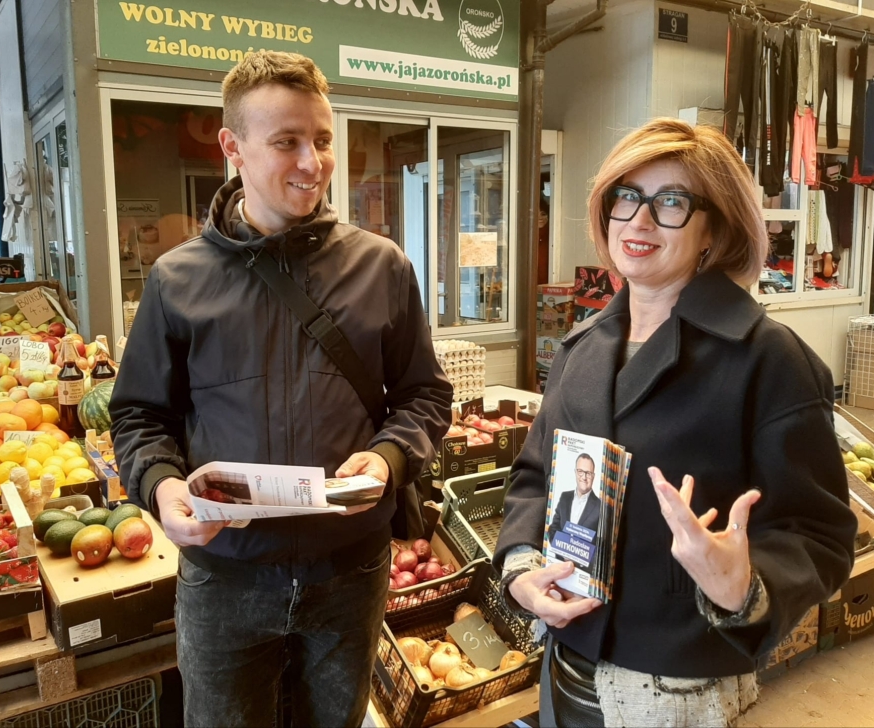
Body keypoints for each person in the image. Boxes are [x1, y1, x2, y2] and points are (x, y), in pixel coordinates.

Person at [109, 51, 453, 728]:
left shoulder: (381, 267)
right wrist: (162, 488)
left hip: (350, 574)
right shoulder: (176, 280)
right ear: (232, 147)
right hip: (224, 578)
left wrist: (388, 457)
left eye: (322, 140)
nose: (312, 162)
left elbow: (425, 395)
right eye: (287, 141)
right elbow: (139, 415)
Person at [494, 118, 856, 728]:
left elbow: (819, 534)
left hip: (675, 689)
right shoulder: (582, 347)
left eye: (671, 202)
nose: (638, 221)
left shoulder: (768, 359)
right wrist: (522, 571)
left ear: (716, 227)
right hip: (564, 662)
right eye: (626, 196)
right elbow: (534, 478)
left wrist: (744, 584)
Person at [547, 453, 601, 542]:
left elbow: (602, 542)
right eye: (580, 471)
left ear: (593, 476)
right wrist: (562, 547)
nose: (584, 477)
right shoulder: (564, 497)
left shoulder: (600, 506)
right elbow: (553, 528)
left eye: (588, 473)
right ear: (575, 472)